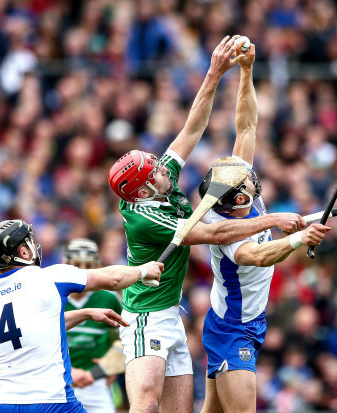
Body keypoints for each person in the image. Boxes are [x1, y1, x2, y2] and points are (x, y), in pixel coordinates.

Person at [107, 36, 307, 413]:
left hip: (172, 313)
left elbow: (194, 128)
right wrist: (277, 221)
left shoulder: (154, 183)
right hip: (146, 314)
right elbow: (211, 234)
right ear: (143, 189)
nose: (164, 170)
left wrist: (217, 73)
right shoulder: (145, 218)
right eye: (155, 172)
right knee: (147, 405)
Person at [198, 40, 330, 413]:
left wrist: (247, 71)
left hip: (248, 319)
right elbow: (256, 256)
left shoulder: (240, 196)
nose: (252, 180)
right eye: (246, 185)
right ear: (237, 199)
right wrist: (300, 238)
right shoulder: (223, 227)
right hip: (232, 329)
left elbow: (247, 124)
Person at [0, 219, 163, 413]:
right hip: (51, 401)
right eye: (28, 242)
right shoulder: (49, 277)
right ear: (22, 253)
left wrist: (84, 313)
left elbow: (36, 328)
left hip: (1, 403)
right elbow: (113, 279)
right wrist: (142, 270)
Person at [63, 239, 123, 413]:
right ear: (65, 265)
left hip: (96, 382)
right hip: (57, 381)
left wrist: (110, 367)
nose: (82, 271)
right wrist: (67, 371)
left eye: (88, 265)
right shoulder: (53, 297)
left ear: (98, 266)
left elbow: (122, 340)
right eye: (76, 265)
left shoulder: (109, 299)